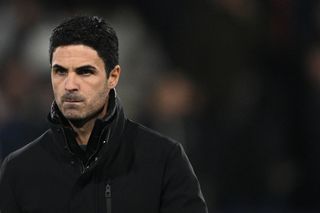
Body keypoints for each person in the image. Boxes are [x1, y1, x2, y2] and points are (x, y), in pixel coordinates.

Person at [0, 16, 208, 213]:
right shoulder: (20, 169)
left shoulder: (164, 160)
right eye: (60, 71)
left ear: (113, 77)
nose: (70, 85)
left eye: (85, 72)